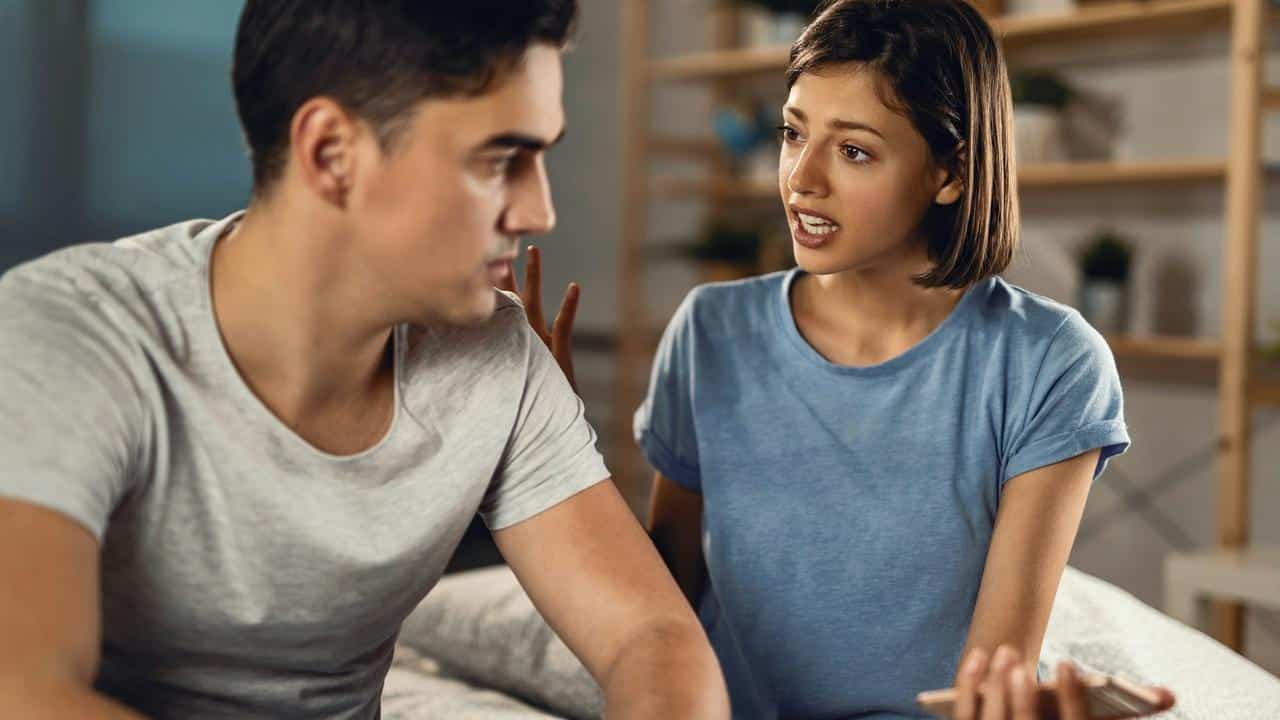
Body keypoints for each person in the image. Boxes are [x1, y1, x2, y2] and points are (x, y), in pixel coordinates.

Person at [0, 2, 730, 718]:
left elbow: (651, 634)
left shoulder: (496, 354)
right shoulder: (69, 332)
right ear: (331, 153)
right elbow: (23, 691)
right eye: (501, 159)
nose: (539, 211)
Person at [636, 0, 1173, 717]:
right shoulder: (710, 331)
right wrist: (548, 442)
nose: (801, 179)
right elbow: (657, 609)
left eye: (853, 150)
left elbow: (991, 673)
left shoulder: (1049, 360)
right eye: (794, 134)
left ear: (949, 172)